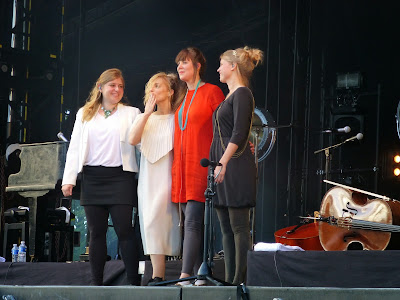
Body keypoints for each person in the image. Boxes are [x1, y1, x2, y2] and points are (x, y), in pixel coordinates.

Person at [61, 68, 141, 286]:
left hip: (120, 177)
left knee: (125, 230)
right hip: (92, 177)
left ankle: (134, 283)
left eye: (120, 86)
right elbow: (75, 147)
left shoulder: (132, 113)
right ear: (101, 87)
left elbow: (143, 144)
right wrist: (69, 179)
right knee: (96, 232)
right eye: (112, 85)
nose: (117, 90)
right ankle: (97, 284)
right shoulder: (84, 113)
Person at [171, 47, 225, 285]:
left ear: (198, 65)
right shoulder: (181, 97)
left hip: (201, 166)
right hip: (180, 169)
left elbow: (226, 126)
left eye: (185, 62)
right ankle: (199, 274)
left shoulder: (212, 92)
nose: (180, 66)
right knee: (189, 224)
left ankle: (184, 276)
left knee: (193, 220)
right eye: (178, 63)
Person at [209, 46, 263, 285]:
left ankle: (239, 281)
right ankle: (229, 280)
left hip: (235, 165)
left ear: (233, 66)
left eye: (221, 64)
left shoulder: (242, 94)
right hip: (223, 165)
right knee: (226, 228)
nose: (218, 68)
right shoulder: (229, 97)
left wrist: (223, 162)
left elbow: (240, 133)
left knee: (239, 225)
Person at [128, 72, 184, 285]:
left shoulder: (178, 118)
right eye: (150, 86)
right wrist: (146, 113)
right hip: (149, 177)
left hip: (169, 175)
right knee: (150, 221)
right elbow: (132, 139)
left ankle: (182, 273)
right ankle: (157, 275)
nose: (153, 90)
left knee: (169, 222)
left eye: (158, 86)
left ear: (170, 91)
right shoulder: (145, 118)